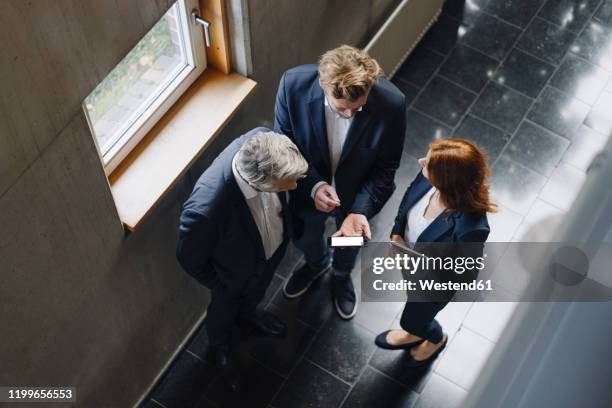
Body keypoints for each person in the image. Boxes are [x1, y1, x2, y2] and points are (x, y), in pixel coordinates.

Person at [275, 45, 407, 319]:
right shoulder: (292, 85)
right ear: (324, 87)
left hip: (356, 196)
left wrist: (359, 211)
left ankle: (340, 273)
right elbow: (283, 146)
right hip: (305, 189)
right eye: (342, 109)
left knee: (349, 244)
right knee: (306, 236)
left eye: (359, 108)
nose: (350, 116)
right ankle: (316, 263)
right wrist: (313, 185)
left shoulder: (392, 104)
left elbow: (386, 169)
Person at [176, 127, 308, 390]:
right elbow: (188, 258)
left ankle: (248, 315)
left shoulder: (264, 140)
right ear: (258, 184)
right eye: (288, 183)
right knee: (223, 311)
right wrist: (222, 283)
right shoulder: (207, 209)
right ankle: (219, 347)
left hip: (269, 253)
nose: (295, 186)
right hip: (231, 277)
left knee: (256, 292)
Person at [375, 138, 496, 367]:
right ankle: (417, 330)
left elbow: (463, 275)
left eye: (428, 164)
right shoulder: (427, 178)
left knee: (412, 320)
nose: (421, 162)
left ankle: (434, 337)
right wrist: (396, 234)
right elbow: (408, 201)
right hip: (408, 258)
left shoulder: (471, 228)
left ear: (447, 182)